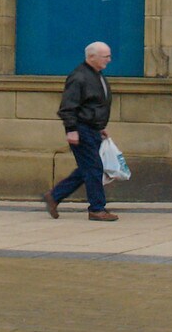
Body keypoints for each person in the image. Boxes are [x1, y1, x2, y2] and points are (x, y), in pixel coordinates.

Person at [43, 40, 118, 222]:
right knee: (94, 168)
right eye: (105, 56)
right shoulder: (79, 77)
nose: (109, 60)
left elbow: (95, 104)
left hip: (92, 128)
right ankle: (97, 208)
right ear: (91, 57)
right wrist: (71, 130)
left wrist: (100, 126)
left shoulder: (96, 75)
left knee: (87, 168)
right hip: (81, 129)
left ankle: (54, 196)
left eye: (109, 56)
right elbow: (68, 106)